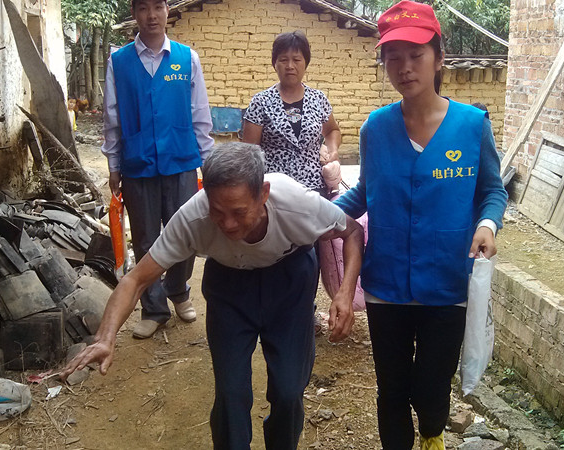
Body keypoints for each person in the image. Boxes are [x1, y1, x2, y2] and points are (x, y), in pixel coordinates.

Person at [62, 143, 364, 450]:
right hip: (229, 289)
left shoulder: (297, 203)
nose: (228, 223)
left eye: (239, 212)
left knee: (288, 391)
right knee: (231, 395)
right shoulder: (193, 217)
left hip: (289, 284)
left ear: (263, 193)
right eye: (217, 211)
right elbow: (136, 279)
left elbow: (352, 231)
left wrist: (344, 292)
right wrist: (106, 337)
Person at [333, 2, 509, 449]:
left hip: (447, 283)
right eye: (393, 57)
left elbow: (493, 190)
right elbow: (365, 194)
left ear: (439, 58)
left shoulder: (472, 126)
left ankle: (432, 434)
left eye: (416, 55)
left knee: (431, 390)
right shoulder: (376, 129)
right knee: (391, 390)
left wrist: (488, 224)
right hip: (387, 284)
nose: (405, 67)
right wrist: (317, 213)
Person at [101, 0, 214, 339]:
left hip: (181, 160)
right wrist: (114, 165)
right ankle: (153, 308)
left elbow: (200, 114)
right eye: (143, 8)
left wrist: (209, 163)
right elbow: (112, 117)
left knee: (186, 234)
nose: (151, 15)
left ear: (167, 10)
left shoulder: (186, 58)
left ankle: (177, 290)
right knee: (146, 239)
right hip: (138, 163)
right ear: (134, 13)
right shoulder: (119, 61)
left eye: (157, 6)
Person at [241, 30, 342, 197]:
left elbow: (332, 130)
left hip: (314, 189)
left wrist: (333, 151)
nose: (290, 66)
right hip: (274, 191)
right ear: (275, 64)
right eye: (283, 60)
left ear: (305, 63)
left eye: (296, 60)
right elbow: (249, 152)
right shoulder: (261, 102)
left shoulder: (318, 99)